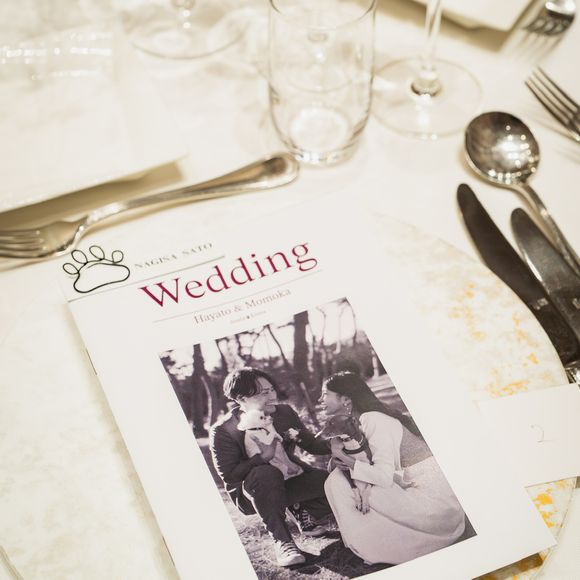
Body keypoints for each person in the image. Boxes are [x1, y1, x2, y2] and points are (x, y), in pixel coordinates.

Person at [320, 371, 467, 565]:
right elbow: (364, 463)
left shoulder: (373, 419)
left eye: (325, 394)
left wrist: (341, 456)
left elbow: (382, 476)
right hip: (409, 485)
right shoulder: (357, 422)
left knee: (339, 483)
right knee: (338, 478)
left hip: (437, 505)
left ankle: (375, 544)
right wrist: (338, 458)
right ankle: (373, 539)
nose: (320, 399)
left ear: (346, 399)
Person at [209, 367, 331, 567]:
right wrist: (261, 458)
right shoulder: (224, 430)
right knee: (265, 473)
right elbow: (230, 475)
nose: (272, 396)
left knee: (336, 485)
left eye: (272, 389)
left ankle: (298, 508)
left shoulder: (285, 412)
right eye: (263, 392)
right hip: (256, 490)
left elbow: (310, 444)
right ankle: (282, 541)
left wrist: (338, 443)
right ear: (241, 399)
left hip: (291, 476)